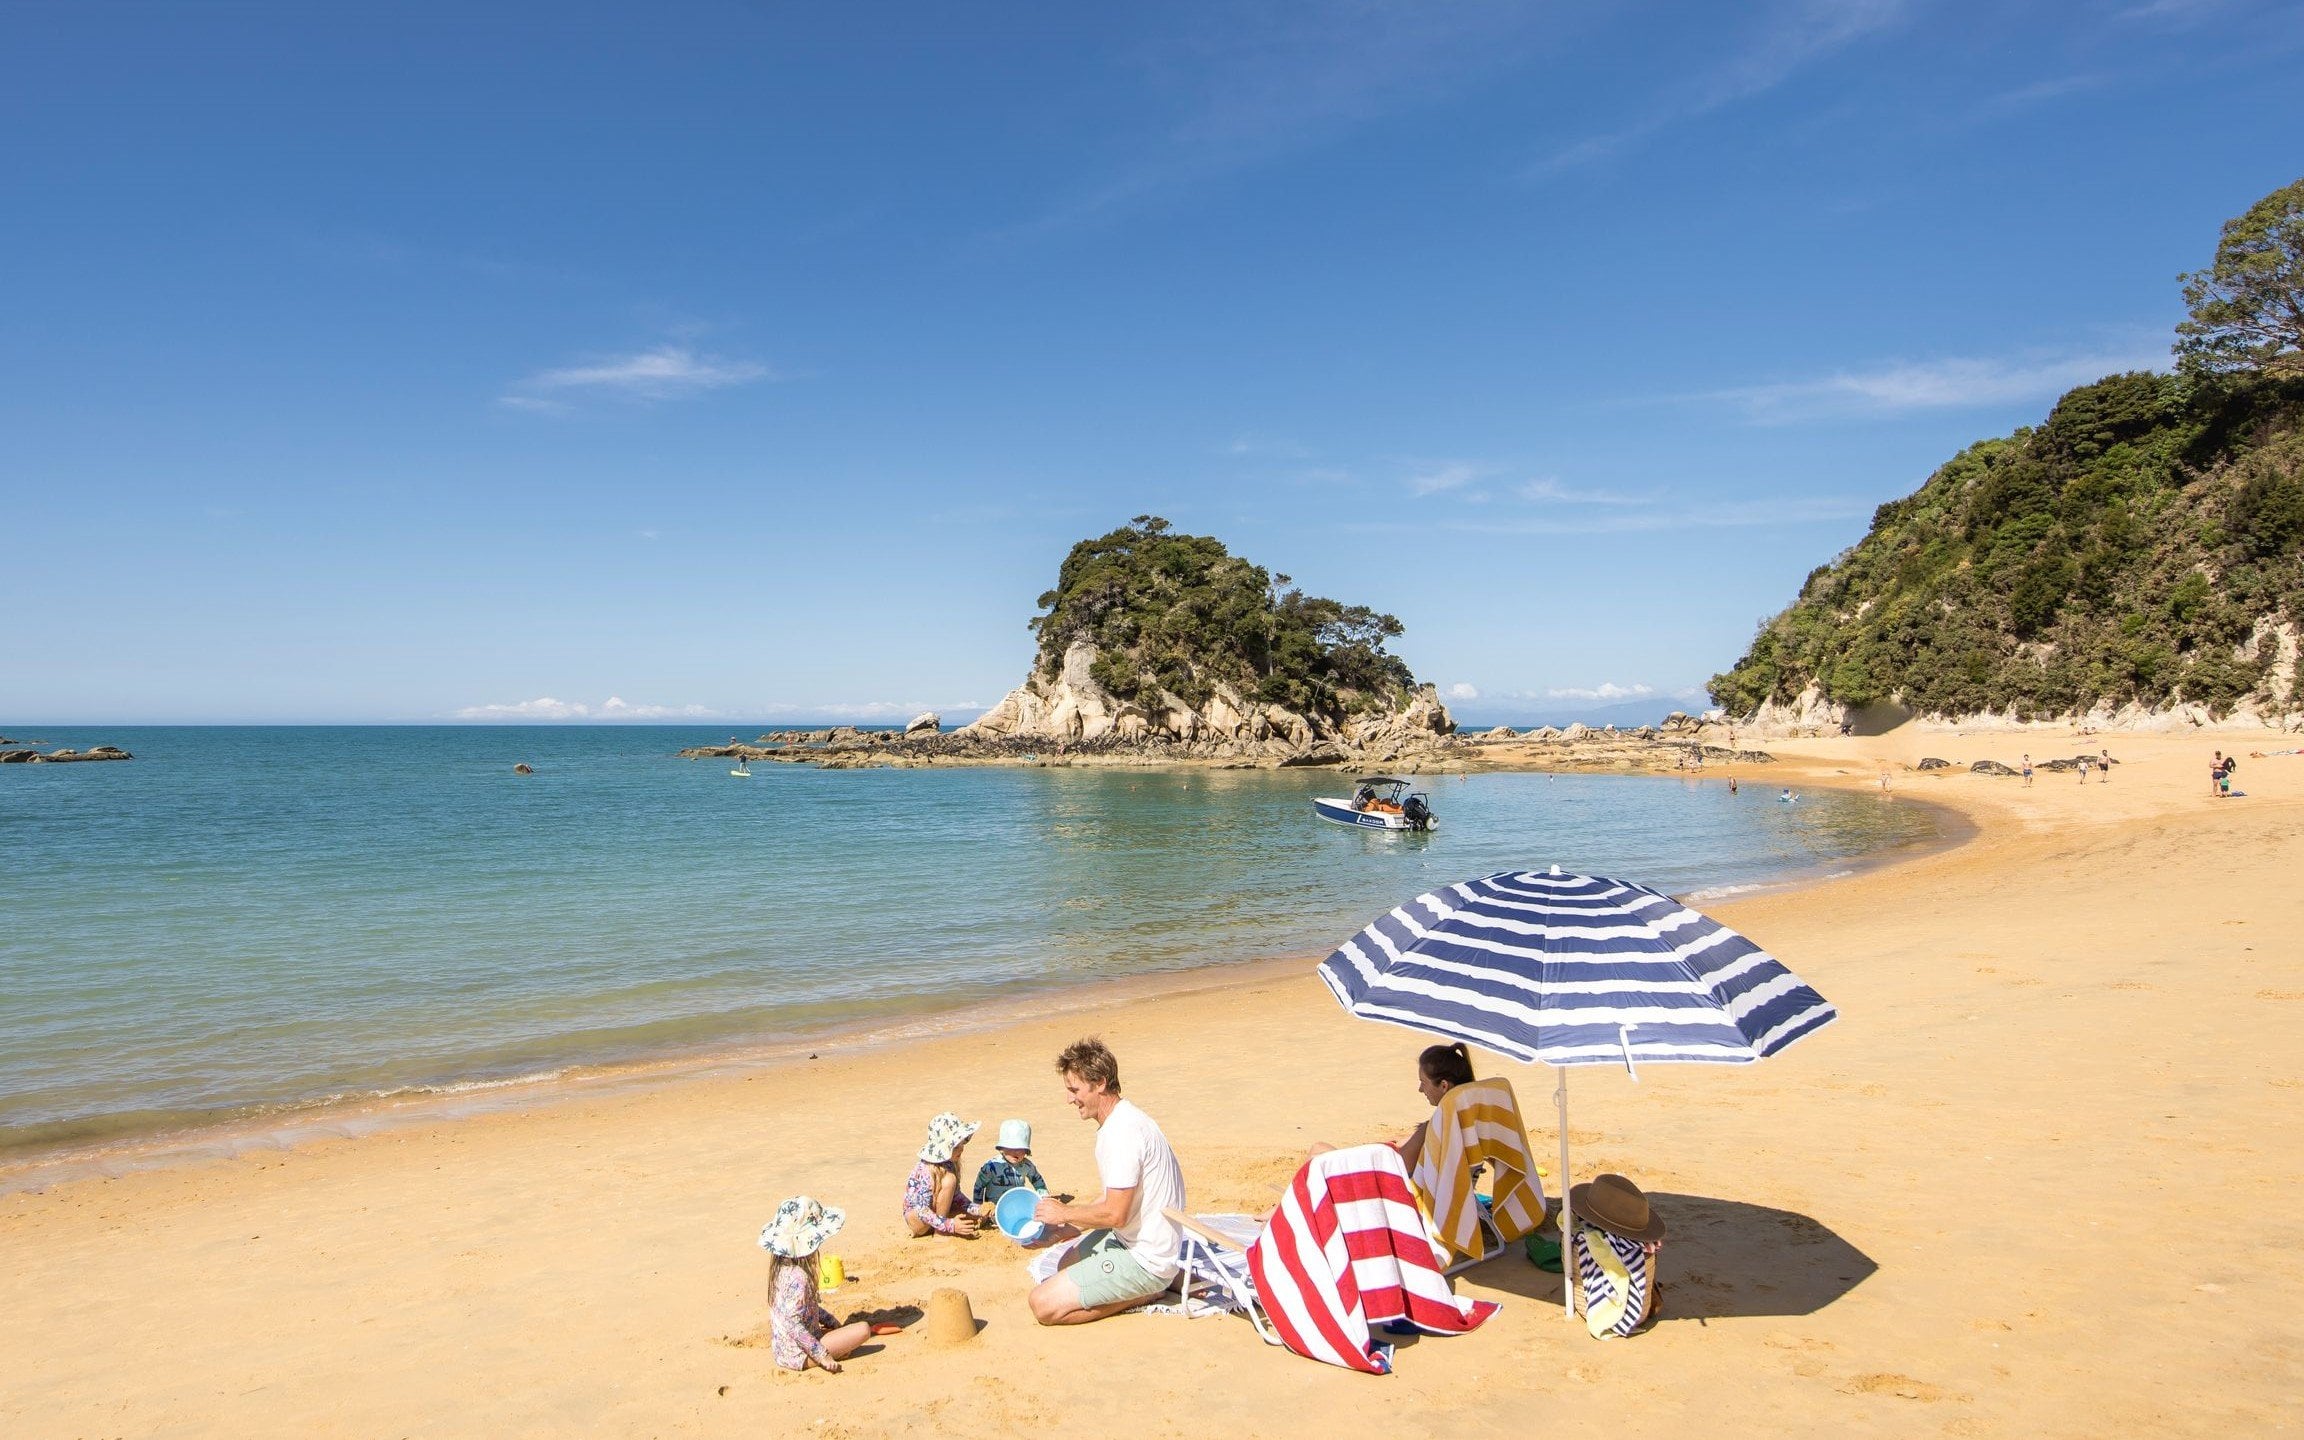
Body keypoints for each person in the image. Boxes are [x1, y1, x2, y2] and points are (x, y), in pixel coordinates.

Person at [1026, 1037, 1187, 1325]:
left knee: (1043, 1305)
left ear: (1099, 1082)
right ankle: (1153, 1284)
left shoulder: (1121, 1134)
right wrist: (1065, 1230)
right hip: (1136, 1241)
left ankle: (1148, 1292)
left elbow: (1116, 1214)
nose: (1069, 1099)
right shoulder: (1122, 1120)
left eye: (1074, 1090)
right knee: (1065, 1264)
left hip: (1147, 1259)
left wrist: (1063, 1212)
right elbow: (1112, 1200)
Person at [759, 1196, 872, 1373]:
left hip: (782, 1349)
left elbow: (807, 1309)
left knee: (845, 1332)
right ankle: (817, 1360)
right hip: (798, 1354)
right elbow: (793, 1324)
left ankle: (831, 1348)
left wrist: (831, 1321)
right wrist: (822, 1355)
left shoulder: (780, 1268)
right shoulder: (799, 1277)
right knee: (862, 1330)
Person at [902, 1113, 987, 1237]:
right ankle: (940, 1232)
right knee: (950, 1180)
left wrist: (979, 1210)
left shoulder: (950, 1163)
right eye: (956, 1146)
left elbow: (957, 1197)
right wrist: (949, 1225)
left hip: (935, 1212)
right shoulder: (926, 1171)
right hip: (918, 1219)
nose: (961, 1149)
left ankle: (942, 1224)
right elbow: (922, 1211)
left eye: (962, 1144)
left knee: (974, 1217)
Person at [972, 1118, 1049, 1205]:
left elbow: (1037, 1181)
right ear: (1001, 1149)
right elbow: (979, 1185)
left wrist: (1044, 1197)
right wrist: (977, 1204)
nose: (1017, 1152)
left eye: (1021, 1149)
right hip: (994, 1206)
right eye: (1012, 1148)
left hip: (1016, 1204)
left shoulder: (1027, 1165)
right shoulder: (991, 1167)